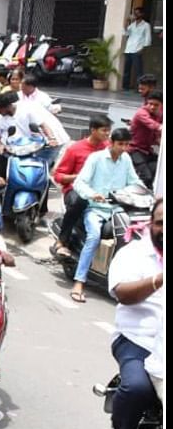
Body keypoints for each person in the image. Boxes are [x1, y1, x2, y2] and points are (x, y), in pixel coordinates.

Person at [106, 197, 163, 429]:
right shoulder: (133, 254)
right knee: (138, 387)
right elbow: (123, 294)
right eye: (161, 223)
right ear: (151, 224)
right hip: (137, 339)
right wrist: (158, 279)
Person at [70, 127, 144, 303]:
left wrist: (145, 192)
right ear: (111, 143)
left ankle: (122, 281)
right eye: (120, 144)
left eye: (127, 145)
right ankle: (79, 282)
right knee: (94, 237)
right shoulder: (96, 158)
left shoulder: (126, 159)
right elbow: (79, 182)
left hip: (117, 209)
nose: (124, 148)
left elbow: (134, 181)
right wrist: (91, 194)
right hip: (95, 208)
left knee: (130, 238)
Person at [51, 114, 112, 259]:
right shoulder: (75, 149)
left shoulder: (108, 149)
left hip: (101, 191)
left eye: (109, 130)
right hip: (75, 190)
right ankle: (62, 241)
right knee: (80, 200)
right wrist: (78, 177)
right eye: (104, 130)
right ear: (93, 130)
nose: (107, 134)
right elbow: (58, 176)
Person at [129, 89, 162, 187]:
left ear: (161, 105)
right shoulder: (141, 113)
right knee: (146, 177)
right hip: (134, 150)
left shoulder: (159, 115)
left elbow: (156, 138)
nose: (152, 107)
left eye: (156, 105)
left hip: (147, 151)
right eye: (150, 103)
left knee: (160, 170)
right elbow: (154, 125)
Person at [122, 7, 152, 91]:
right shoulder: (132, 25)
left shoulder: (146, 25)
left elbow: (148, 39)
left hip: (137, 49)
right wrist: (126, 21)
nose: (135, 15)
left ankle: (140, 88)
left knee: (138, 70)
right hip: (129, 49)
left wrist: (142, 49)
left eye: (137, 13)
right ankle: (125, 86)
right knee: (127, 69)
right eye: (135, 13)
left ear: (142, 14)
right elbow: (126, 33)